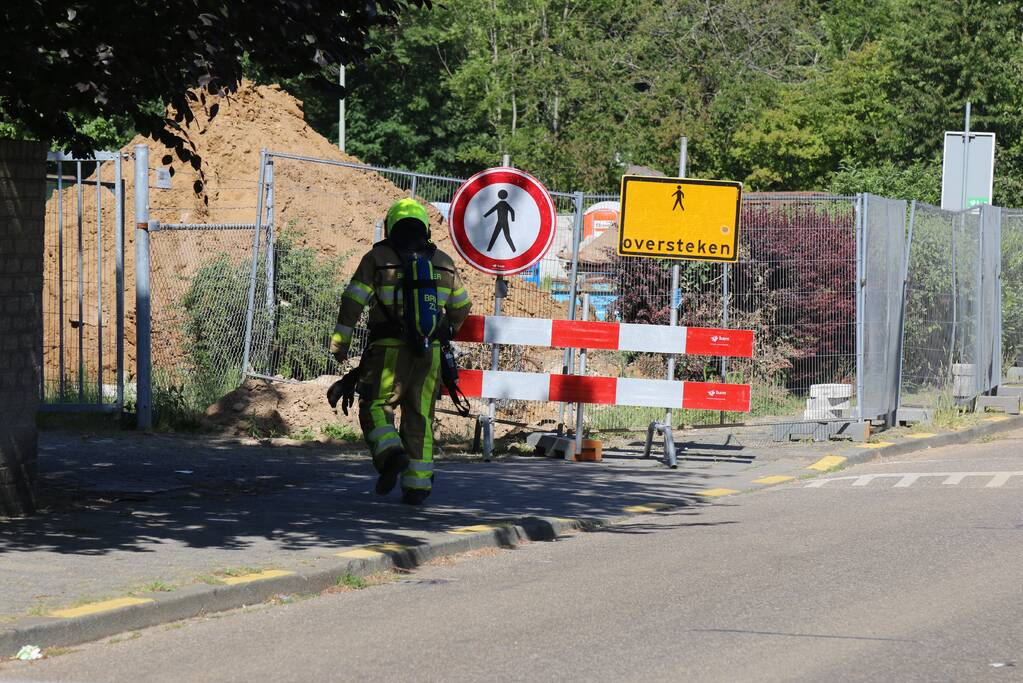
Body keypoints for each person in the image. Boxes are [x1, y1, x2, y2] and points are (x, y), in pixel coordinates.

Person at [329, 198, 472, 505]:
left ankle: (390, 453)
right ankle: (417, 485)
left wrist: (340, 342)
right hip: (430, 354)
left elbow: (353, 300)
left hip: (388, 350)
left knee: (376, 405)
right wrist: (446, 331)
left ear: (391, 226)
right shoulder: (444, 262)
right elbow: (461, 307)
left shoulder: (378, 258)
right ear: (425, 227)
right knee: (420, 415)